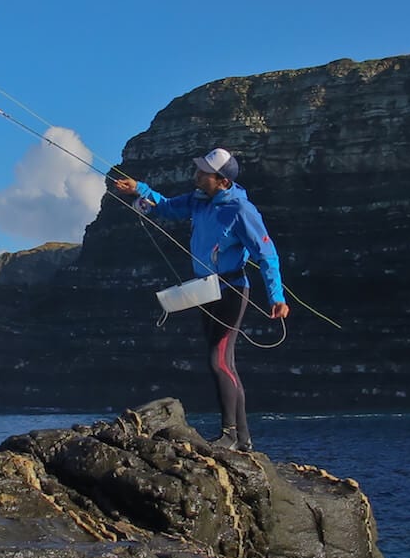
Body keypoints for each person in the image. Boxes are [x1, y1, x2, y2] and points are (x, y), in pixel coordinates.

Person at [113, 147, 288, 451]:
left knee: (218, 362)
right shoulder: (198, 200)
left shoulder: (241, 210)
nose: (197, 174)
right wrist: (138, 189)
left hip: (232, 291)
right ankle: (243, 438)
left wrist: (277, 296)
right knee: (226, 364)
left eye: (204, 172)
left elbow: (267, 255)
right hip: (206, 291)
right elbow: (165, 207)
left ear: (221, 180)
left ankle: (230, 434)